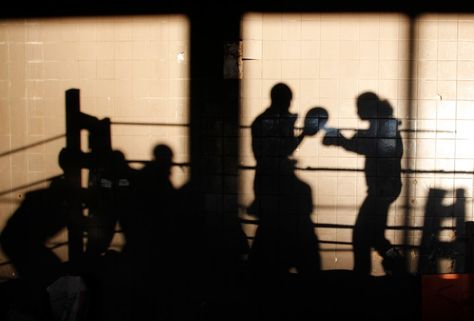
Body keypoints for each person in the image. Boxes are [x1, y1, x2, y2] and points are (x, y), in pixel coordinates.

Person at [323, 92, 405, 276]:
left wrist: (341, 140)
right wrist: (342, 140)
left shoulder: (386, 126)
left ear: (369, 108)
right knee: (374, 237)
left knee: (361, 235)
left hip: (383, 190)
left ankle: (365, 274)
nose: (357, 110)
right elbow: (366, 144)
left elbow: (374, 148)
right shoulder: (381, 125)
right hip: (383, 189)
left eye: (359, 106)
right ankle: (395, 263)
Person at [247, 83, 323, 280]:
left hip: (266, 182)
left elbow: (275, 152)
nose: (290, 106)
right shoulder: (272, 122)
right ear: (283, 100)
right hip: (274, 184)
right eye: (288, 101)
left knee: (269, 235)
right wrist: (303, 134)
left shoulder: (262, 121)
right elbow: (281, 150)